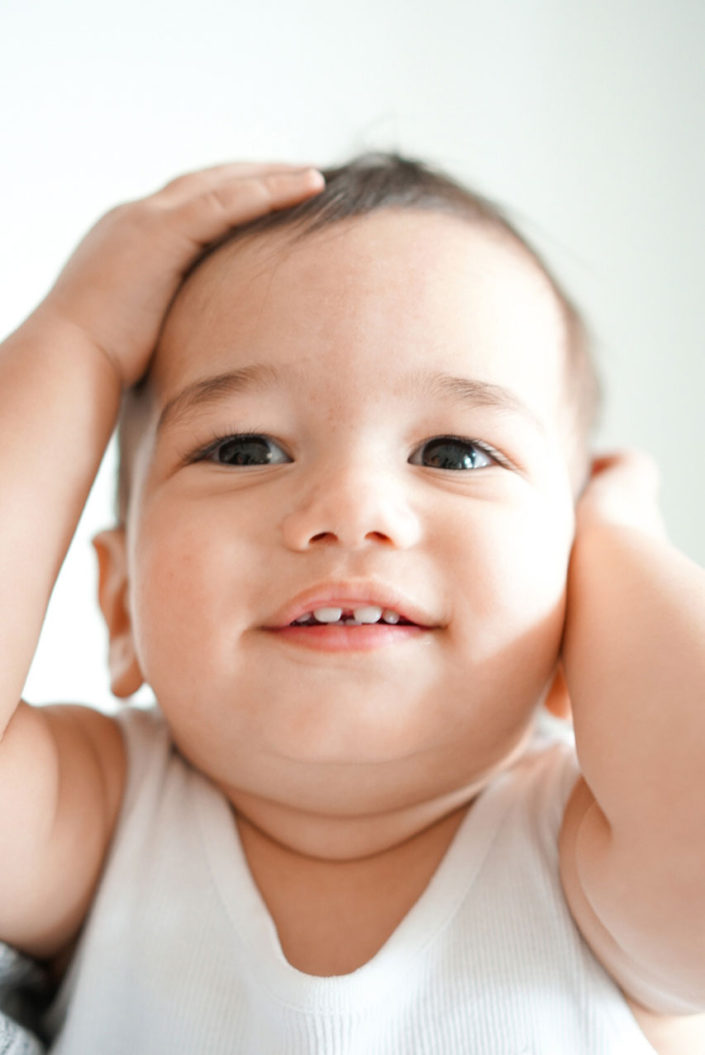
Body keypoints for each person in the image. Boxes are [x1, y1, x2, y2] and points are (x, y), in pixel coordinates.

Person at [0, 153, 703, 1055]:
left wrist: (616, 528)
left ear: (585, 609)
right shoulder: (100, 820)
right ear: (122, 605)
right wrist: (74, 337)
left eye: (454, 453)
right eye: (246, 448)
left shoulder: (586, 860)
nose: (349, 509)